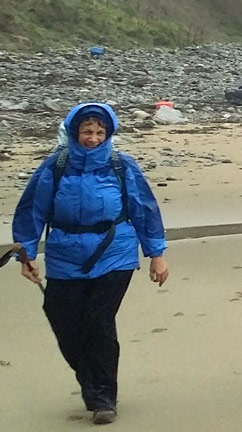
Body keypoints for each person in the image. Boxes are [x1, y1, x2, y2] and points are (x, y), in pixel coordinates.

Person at [12, 102, 169, 424]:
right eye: (87, 131)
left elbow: (145, 210)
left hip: (115, 253)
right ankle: (91, 380)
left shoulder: (121, 166)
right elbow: (32, 212)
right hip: (64, 253)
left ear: (109, 134)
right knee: (63, 319)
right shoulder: (55, 166)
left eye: (99, 132)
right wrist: (25, 256)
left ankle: (103, 397)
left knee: (98, 322)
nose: (93, 138)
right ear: (74, 132)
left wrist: (156, 254)